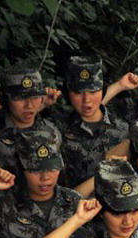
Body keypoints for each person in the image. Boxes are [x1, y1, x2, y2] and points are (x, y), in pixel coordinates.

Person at [52, 56, 130, 188]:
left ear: (103, 91)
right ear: (68, 93)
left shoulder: (123, 130)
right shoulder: (56, 127)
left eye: (93, 91)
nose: (86, 100)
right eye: (78, 92)